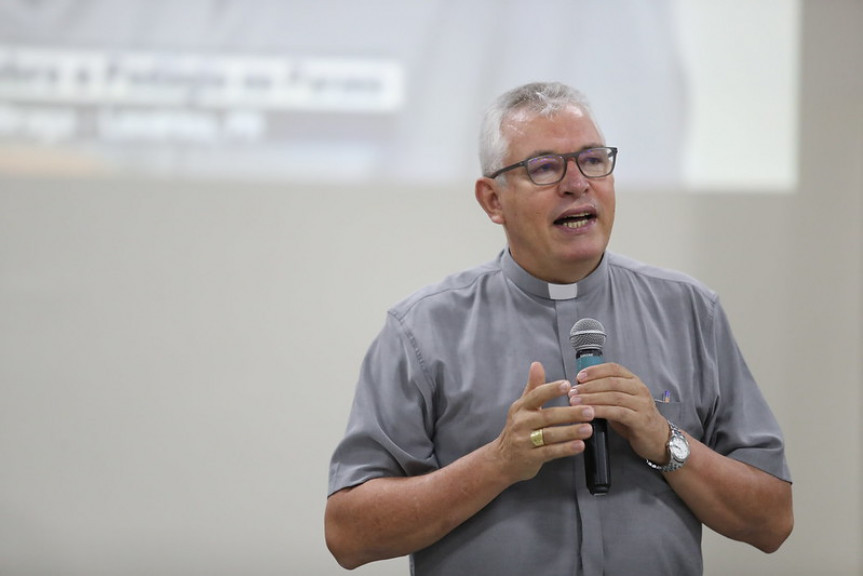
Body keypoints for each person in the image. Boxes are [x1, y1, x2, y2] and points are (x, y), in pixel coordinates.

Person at [324, 81, 793, 575]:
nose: (577, 183)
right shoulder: (421, 330)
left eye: (593, 160)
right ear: (492, 200)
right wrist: (499, 463)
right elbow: (349, 536)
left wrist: (664, 439)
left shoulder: (691, 311)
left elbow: (771, 522)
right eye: (545, 167)